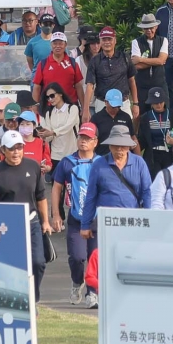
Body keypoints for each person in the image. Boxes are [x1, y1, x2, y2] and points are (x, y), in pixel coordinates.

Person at [0, 132, 52, 297]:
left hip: (32, 222)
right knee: (12, 265)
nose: (16, 152)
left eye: (19, 148)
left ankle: (32, 298)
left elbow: (41, 196)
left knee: (38, 262)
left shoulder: (33, 166)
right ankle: (17, 296)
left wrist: (45, 222)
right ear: (3, 151)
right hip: (8, 226)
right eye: (11, 149)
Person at [51, 123, 100, 305]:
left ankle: (92, 293)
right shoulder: (67, 162)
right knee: (77, 257)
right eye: (81, 137)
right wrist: (56, 214)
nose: (83, 141)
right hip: (75, 219)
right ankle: (77, 281)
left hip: (96, 220)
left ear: (95, 141)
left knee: (95, 258)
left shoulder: (102, 163)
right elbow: (57, 188)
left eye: (88, 138)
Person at [77, 128, 153, 236]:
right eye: (116, 145)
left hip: (132, 220)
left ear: (129, 147)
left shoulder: (139, 163)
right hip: (107, 221)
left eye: (123, 145)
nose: (119, 149)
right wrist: (85, 225)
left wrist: (149, 219)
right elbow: (91, 196)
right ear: (110, 146)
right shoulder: (98, 164)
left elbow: (147, 192)